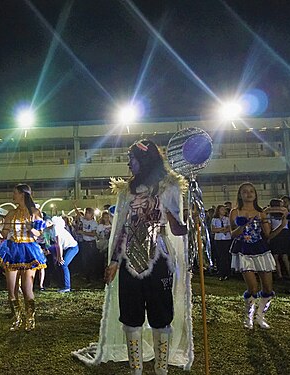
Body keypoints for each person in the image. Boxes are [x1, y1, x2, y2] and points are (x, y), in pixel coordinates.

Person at [74, 139, 193, 375]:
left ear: (144, 160)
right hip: (129, 259)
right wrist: (114, 262)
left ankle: (161, 370)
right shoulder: (127, 191)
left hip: (159, 257)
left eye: (132, 159)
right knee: (131, 313)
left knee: (161, 313)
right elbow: (121, 230)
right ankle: (135, 370)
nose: (129, 164)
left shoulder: (169, 188)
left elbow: (178, 230)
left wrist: (184, 219)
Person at [230, 183, 288, 330]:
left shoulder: (261, 212)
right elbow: (233, 234)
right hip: (243, 250)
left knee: (268, 288)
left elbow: (268, 235)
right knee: (253, 288)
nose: (248, 194)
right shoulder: (235, 212)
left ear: (255, 194)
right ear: (240, 195)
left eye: (251, 191)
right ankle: (248, 317)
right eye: (245, 192)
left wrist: (282, 225)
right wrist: (242, 226)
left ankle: (260, 317)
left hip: (260, 249)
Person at [0, 184, 47, 332]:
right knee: (11, 289)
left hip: (29, 249)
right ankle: (17, 318)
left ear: (22, 194)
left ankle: (30, 319)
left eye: (15, 193)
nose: (13, 195)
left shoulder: (35, 212)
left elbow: (40, 234)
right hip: (12, 250)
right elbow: (4, 235)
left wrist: (32, 229)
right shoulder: (11, 213)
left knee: (26, 287)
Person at [49, 215, 78, 293]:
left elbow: (59, 245)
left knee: (64, 264)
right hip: (65, 248)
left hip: (72, 247)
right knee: (60, 264)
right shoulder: (53, 229)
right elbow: (57, 245)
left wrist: (60, 257)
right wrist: (58, 257)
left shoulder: (57, 229)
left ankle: (67, 286)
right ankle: (62, 284)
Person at [268, 199, 290, 280]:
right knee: (285, 256)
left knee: (276, 256)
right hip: (284, 234)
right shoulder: (284, 213)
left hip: (275, 234)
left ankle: (280, 275)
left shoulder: (269, 215)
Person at [211, 204, 232, 280]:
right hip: (218, 239)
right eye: (222, 209)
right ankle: (221, 273)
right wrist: (223, 229)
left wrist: (219, 229)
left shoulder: (227, 219)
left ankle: (228, 273)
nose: (224, 211)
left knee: (226, 256)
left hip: (227, 239)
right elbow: (213, 230)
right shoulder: (214, 220)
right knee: (220, 256)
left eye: (224, 209)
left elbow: (229, 228)